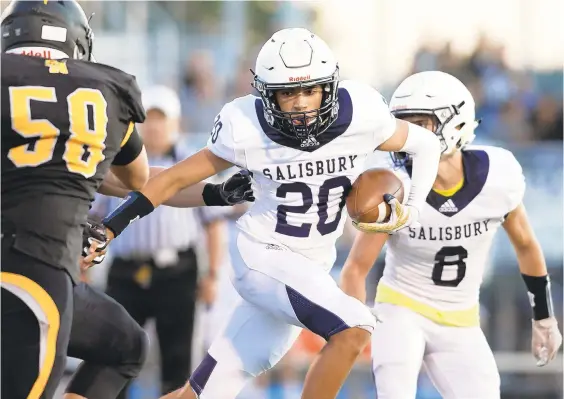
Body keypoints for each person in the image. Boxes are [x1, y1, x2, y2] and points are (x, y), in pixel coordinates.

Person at [85, 28, 443, 399]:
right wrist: (111, 226)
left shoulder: (361, 115)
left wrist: (411, 211)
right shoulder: (246, 127)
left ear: (330, 86)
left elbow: (426, 145)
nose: (301, 102)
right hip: (264, 257)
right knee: (355, 328)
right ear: (267, 95)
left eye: (310, 90)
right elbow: (173, 179)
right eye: (288, 93)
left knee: (200, 394)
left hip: (311, 267)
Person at [340, 71, 563, 399]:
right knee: (395, 390)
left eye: (420, 123)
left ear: (456, 123)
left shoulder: (497, 177)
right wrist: (353, 328)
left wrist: (544, 318)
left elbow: (526, 245)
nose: (409, 135)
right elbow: (356, 267)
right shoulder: (395, 186)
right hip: (401, 309)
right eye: (404, 124)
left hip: (462, 320)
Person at [0, 0, 152, 397]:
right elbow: (137, 178)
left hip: (34, 260)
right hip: (36, 266)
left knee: (124, 344)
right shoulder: (105, 88)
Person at [90, 85, 229, 398]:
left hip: (176, 272)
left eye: (160, 119)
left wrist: (213, 274)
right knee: (116, 353)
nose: (153, 127)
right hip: (126, 271)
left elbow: (213, 224)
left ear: (175, 123)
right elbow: (94, 215)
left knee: (177, 360)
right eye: (148, 119)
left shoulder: (191, 163)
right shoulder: (117, 165)